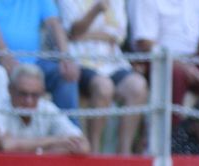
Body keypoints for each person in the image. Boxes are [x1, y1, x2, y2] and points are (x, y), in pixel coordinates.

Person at [56, 0, 148, 154]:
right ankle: (94, 150)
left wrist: (85, 34)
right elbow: (72, 31)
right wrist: (96, 10)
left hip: (113, 62)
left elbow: (119, 35)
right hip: (81, 61)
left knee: (138, 86)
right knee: (104, 87)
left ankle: (124, 152)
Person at [131, 0, 199, 115]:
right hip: (159, 61)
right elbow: (144, 43)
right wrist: (182, 65)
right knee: (176, 76)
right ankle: (174, 132)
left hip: (193, 61)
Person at [0, 0, 79, 112]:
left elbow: (54, 23)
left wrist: (66, 57)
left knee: (65, 75)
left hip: (34, 62)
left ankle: (69, 128)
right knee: (0, 75)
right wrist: (5, 57)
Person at [0, 63, 89, 154]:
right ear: (10, 89)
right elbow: (5, 145)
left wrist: (38, 153)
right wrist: (56, 141)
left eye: (35, 95)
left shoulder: (47, 108)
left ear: (42, 92)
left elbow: (83, 145)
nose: (29, 101)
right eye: (23, 94)